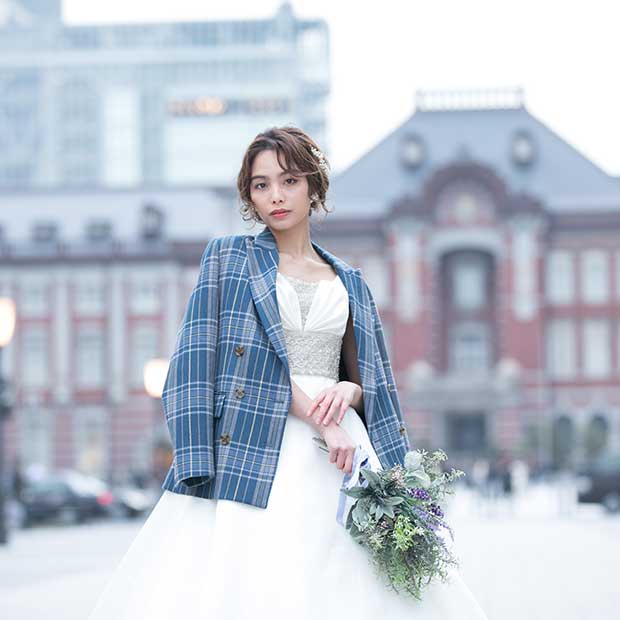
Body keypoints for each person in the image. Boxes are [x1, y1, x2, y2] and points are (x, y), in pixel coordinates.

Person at [87, 126, 488, 619]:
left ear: (313, 186)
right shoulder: (228, 259)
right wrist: (319, 419)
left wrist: (349, 388)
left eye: (288, 180)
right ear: (248, 195)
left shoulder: (351, 279)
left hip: (343, 453)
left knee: (351, 583)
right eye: (260, 185)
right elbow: (197, 363)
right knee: (257, 579)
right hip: (255, 444)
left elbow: (374, 383)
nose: (275, 195)